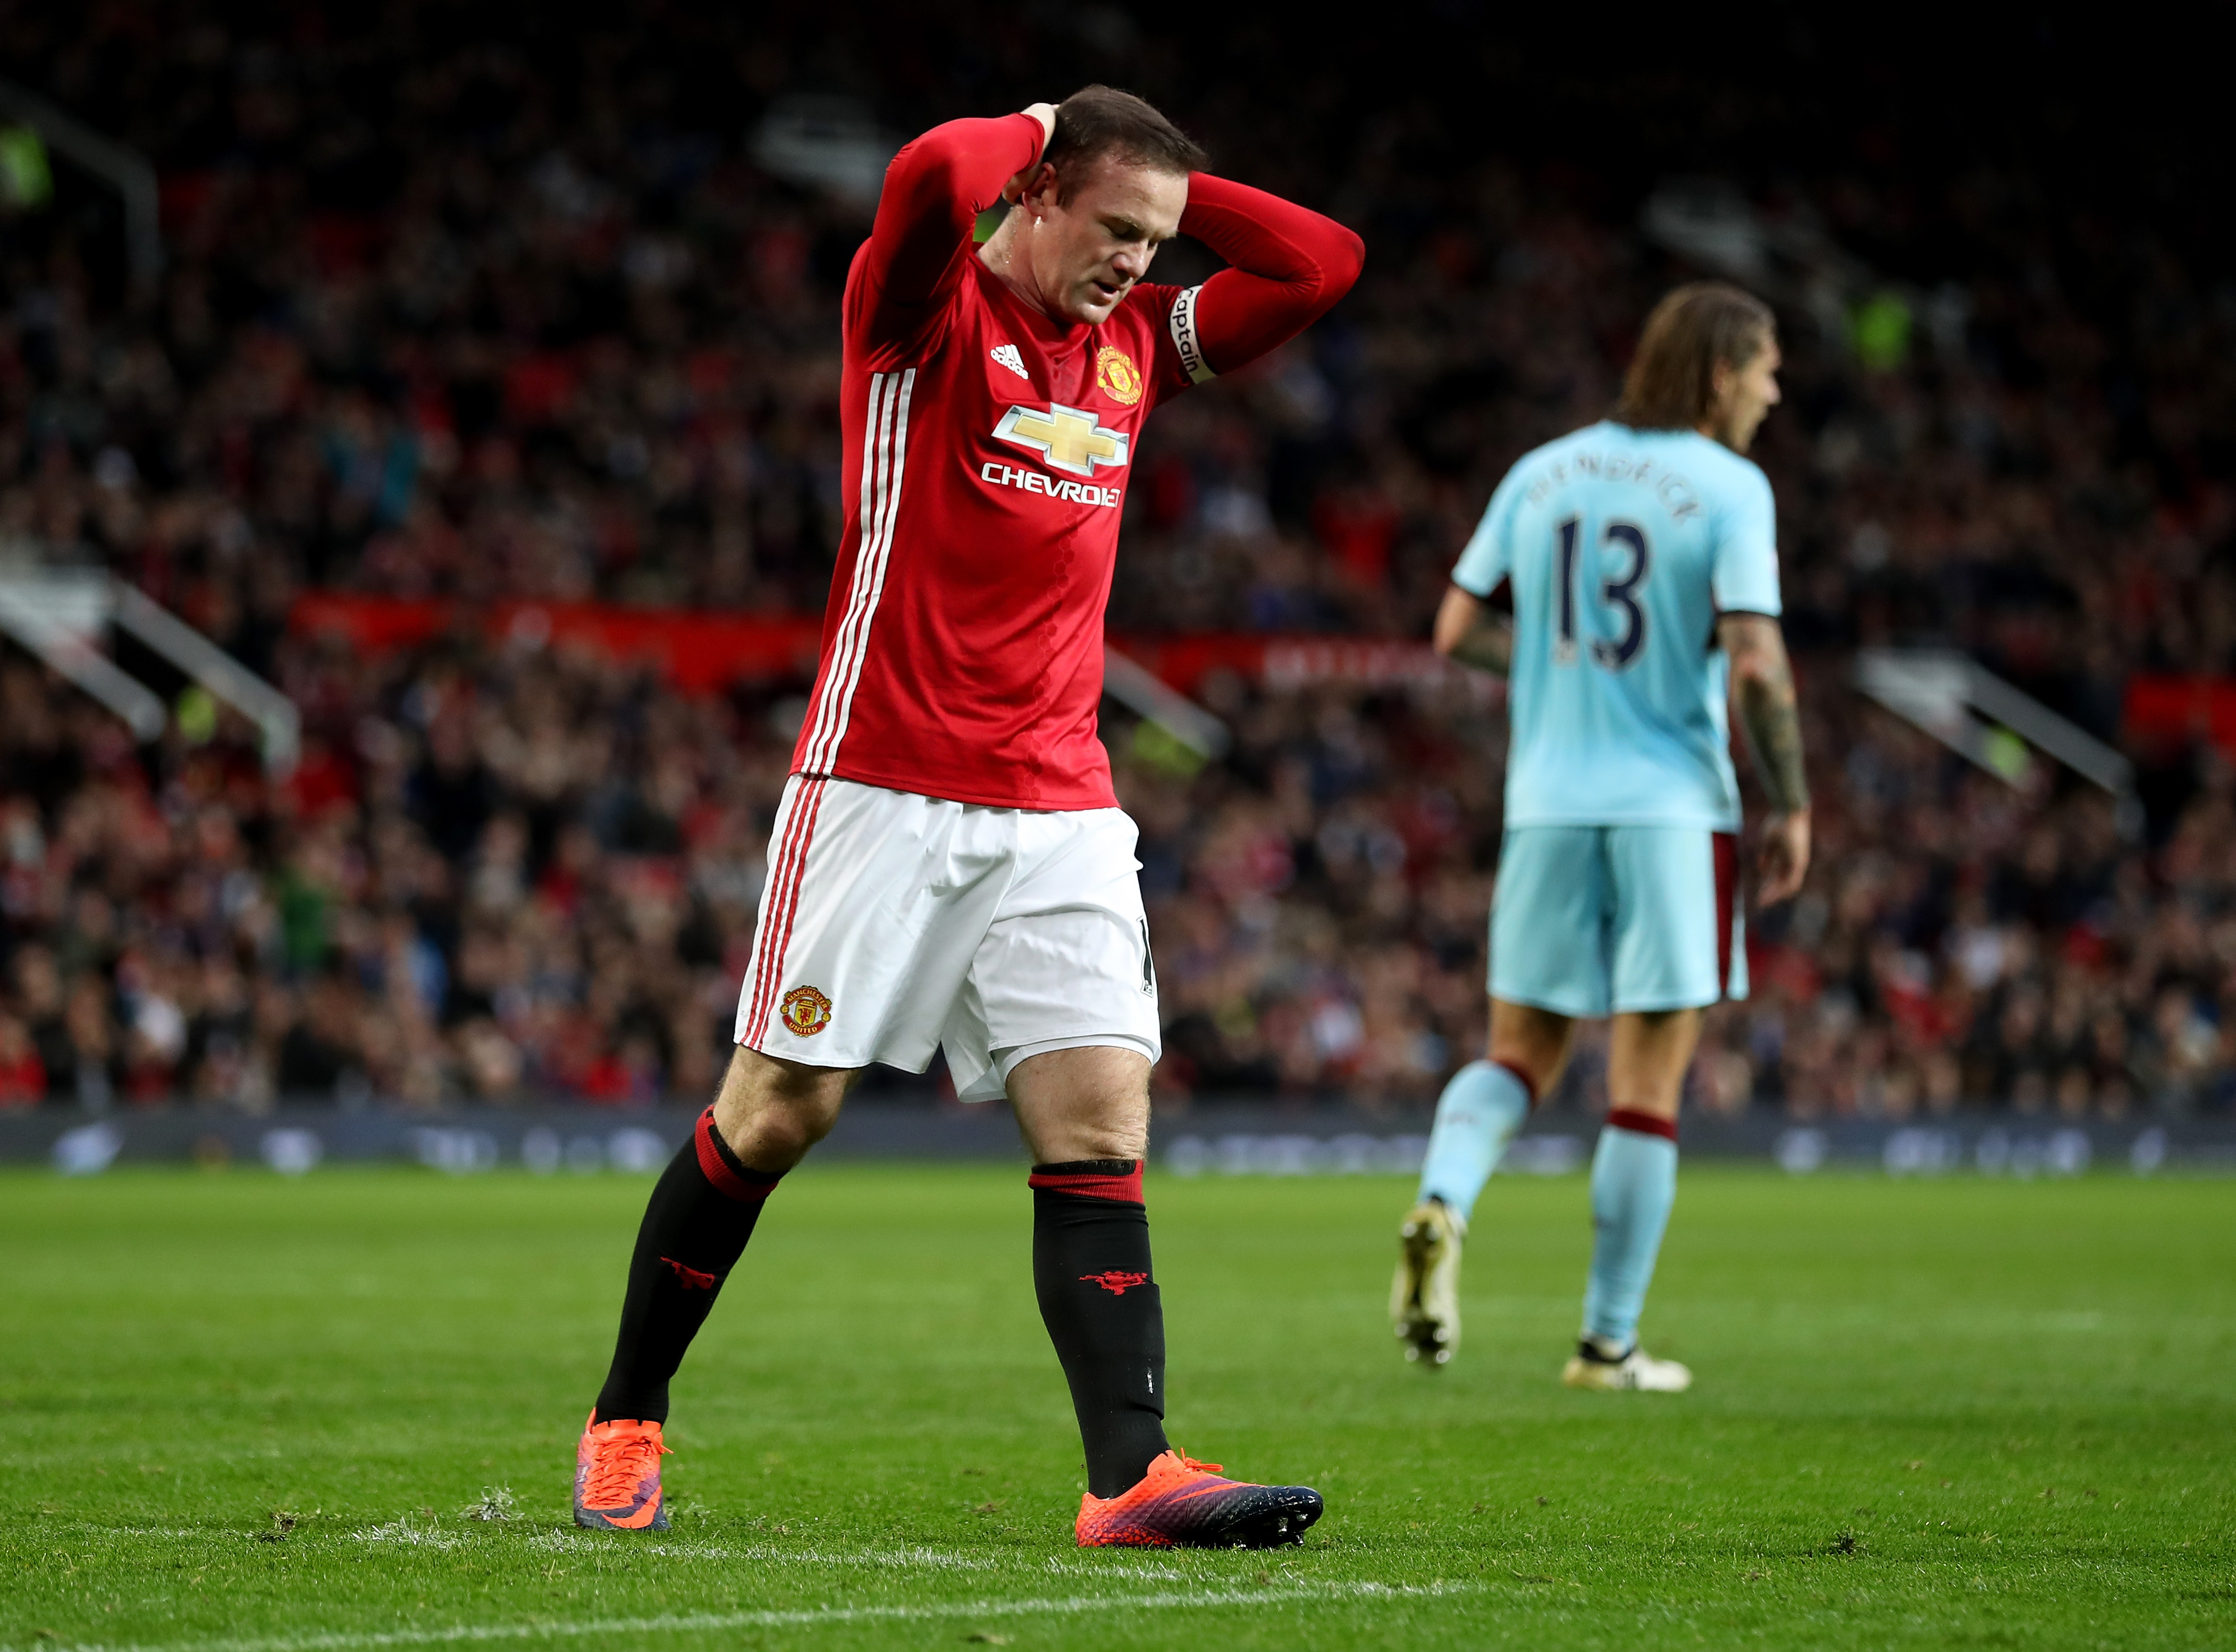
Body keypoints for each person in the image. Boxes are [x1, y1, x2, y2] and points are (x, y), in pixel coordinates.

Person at [573, 86, 1361, 1546]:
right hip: (879, 780)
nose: (1138, 260)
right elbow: (934, 169)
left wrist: (1173, 196)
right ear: (1040, 191)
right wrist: (1048, 117)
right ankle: (626, 1415)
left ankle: (1128, 1474)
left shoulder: (1128, 348)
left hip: (1058, 796)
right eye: (1113, 227)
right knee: (775, 1111)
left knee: (1097, 1116)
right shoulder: (914, 318)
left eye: (1156, 238)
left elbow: (1321, 264)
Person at [1390, 282, 1809, 1391]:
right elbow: (1758, 663)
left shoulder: (1542, 471)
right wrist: (1795, 799)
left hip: (1547, 804)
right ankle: (1606, 1344)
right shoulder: (1730, 487)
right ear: (1721, 374)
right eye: (1767, 370)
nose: (1775, 393)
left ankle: (1443, 1199)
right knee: (1645, 1085)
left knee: (1518, 1054)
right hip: (1675, 808)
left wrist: (1545, 668)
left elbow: (1456, 629)